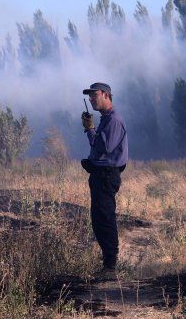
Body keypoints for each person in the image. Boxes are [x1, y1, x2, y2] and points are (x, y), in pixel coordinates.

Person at [80, 82, 128, 279]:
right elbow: (99, 147)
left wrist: (90, 129)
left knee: (105, 219)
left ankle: (110, 268)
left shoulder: (113, 120)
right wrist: (90, 130)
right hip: (101, 175)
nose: (91, 99)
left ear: (107, 95)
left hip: (107, 175)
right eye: (90, 96)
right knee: (99, 219)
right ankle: (107, 266)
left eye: (95, 95)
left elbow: (103, 147)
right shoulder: (106, 119)